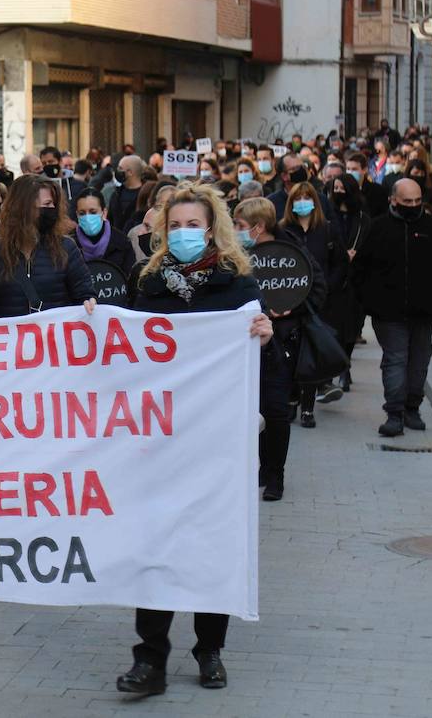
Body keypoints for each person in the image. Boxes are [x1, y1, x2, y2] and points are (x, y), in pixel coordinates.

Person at [115, 184, 275, 699]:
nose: (184, 233)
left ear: (212, 228)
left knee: (211, 541)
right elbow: (131, 355)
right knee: (156, 542)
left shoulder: (237, 286)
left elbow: (255, 364)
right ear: (163, 229)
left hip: (217, 440)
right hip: (161, 438)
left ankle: (209, 649)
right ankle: (150, 658)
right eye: (175, 224)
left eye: (193, 224)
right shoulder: (150, 286)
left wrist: (263, 334)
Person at [353, 179, 432, 436]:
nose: (413, 206)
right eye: (407, 202)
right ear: (393, 200)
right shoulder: (379, 228)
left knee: (419, 360)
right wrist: (369, 301)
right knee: (395, 359)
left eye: (417, 201)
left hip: (426, 311)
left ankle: (412, 406)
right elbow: (359, 270)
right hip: (388, 312)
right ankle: (394, 412)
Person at [233, 196, 323, 499]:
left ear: (258, 227)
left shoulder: (294, 251)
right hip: (246, 344)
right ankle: (262, 465)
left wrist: (291, 309)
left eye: (240, 226)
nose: (236, 231)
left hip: (284, 343)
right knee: (253, 409)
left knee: (276, 409)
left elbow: (317, 289)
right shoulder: (235, 256)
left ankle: (276, 475)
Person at [0, 176, 96, 320]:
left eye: (54, 204)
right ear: (23, 208)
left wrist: (88, 302)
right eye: (47, 204)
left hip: (54, 340)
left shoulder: (66, 248)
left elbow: (84, 294)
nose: (52, 210)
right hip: (8, 341)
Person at [278, 181, 346, 423]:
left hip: (319, 303)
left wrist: (328, 287)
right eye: (298, 198)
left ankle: (307, 408)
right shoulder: (284, 230)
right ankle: (293, 399)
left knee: (311, 355)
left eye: (307, 198)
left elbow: (339, 262)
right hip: (292, 304)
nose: (302, 202)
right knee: (293, 356)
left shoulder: (326, 229)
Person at [324, 172, 370, 395]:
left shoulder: (362, 218)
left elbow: (369, 242)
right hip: (334, 279)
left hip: (356, 280)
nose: (338, 192)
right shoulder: (327, 216)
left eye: (343, 188)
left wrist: (357, 254)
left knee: (351, 328)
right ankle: (336, 366)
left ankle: (345, 365)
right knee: (335, 328)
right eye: (336, 188)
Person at [72, 187, 135, 272]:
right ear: (77, 215)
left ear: (104, 213)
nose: (87, 217)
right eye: (82, 213)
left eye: (93, 212)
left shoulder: (122, 243)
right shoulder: (70, 245)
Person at [107, 155, 148, 230]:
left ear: (130, 172)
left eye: (120, 168)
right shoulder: (116, 194)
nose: (117, 171)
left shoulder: (147, 195)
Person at [346, 152, 389, 217]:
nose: (350, 172)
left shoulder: (377, 191)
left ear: (364, 170)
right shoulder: (343, 189)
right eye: (348, 169)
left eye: (354, 169)